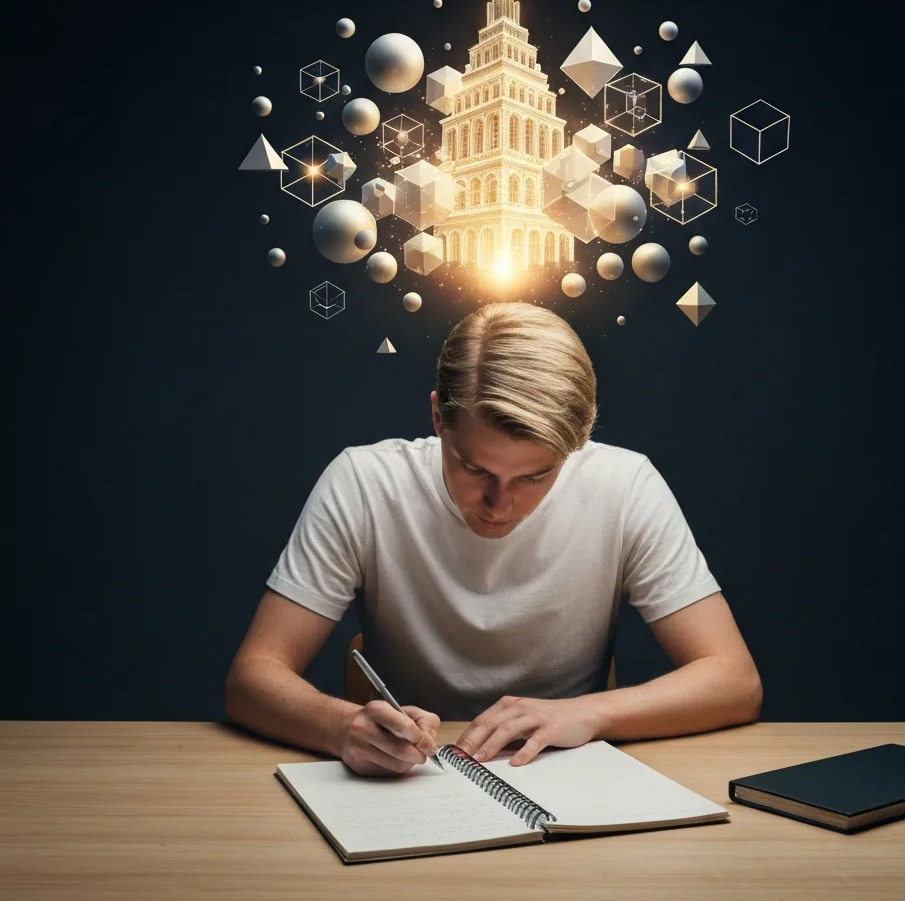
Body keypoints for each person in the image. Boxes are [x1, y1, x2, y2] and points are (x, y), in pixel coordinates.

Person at [224, 302, 762, 777]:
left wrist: (585, 713)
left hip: (565, 777)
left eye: (534, 477)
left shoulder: (623, 485)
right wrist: (342, 727)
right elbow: (253, 677)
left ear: (576, 446)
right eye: (474, 469)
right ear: (438, 416)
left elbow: (734, 680)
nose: (500, 506)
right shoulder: (365, 483)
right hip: (409, 780)